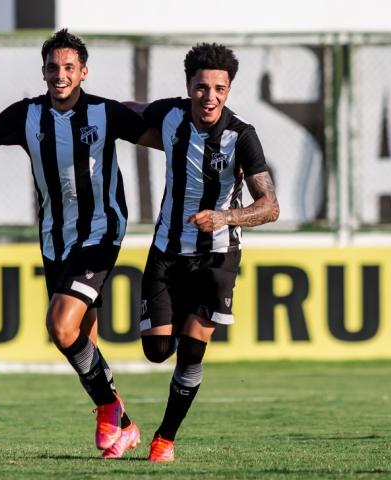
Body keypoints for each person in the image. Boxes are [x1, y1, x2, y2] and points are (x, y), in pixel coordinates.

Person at [0, 29, 160, 459]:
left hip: (101, 232)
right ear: (43, 72)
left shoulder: (105, 113)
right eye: (53, 67)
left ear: (83, 72)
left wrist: (209, 148)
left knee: (60, 325)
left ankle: (108, 405)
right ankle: (124, 425)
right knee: (83, 338)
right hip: (55, 238)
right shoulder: (27, 116)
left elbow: (161, 140)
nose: (60, 75)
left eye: (69, 67)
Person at [125, 43, 280, 462]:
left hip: (216, 257)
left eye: (219, 88)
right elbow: (123, 111)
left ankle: (164, 439)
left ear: (228, 90)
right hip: (166, 251)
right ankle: (178, 322)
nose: (209, 96)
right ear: (188, 87)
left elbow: (269, 206)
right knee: (157, 351)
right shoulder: (170, 116)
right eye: (201, 87)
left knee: (192, 351)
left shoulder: (242, 137)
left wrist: (226, 217)